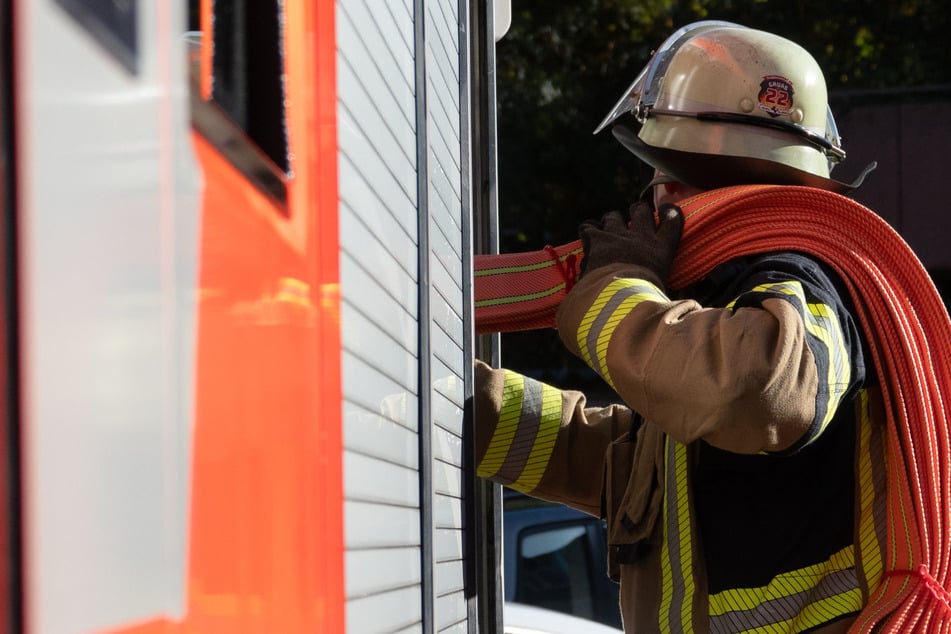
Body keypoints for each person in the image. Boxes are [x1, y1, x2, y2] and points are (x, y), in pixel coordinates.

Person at [474, 21, 886, 633]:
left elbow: (758, 390)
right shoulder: (720, 320)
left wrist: (614, 284)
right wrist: (459, 406)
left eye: (669, 171)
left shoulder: (803, 282)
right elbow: (633, 469)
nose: (652, 194)